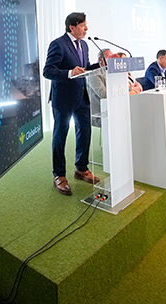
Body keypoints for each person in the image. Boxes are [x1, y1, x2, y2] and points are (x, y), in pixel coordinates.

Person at [43, 12, 101, 195]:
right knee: (60, 136)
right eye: (83, 25)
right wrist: (69, 73)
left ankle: (81, 168)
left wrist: (101, 64)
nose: (86, 28)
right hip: (63, 98)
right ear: (72, 27)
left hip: (82, 96)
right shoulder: (58, 44)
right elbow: (48, 71)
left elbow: (84, 67)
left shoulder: (84, 44)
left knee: (85, 132)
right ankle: (59, 175)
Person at [86, 49, 113, 127]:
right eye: (109, 57)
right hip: (100, 115)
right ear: (101, 60)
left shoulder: (113, 72)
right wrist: (131, 91)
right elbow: (104, 95)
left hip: (113, 110)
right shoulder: (94, 75)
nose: (112, 59)